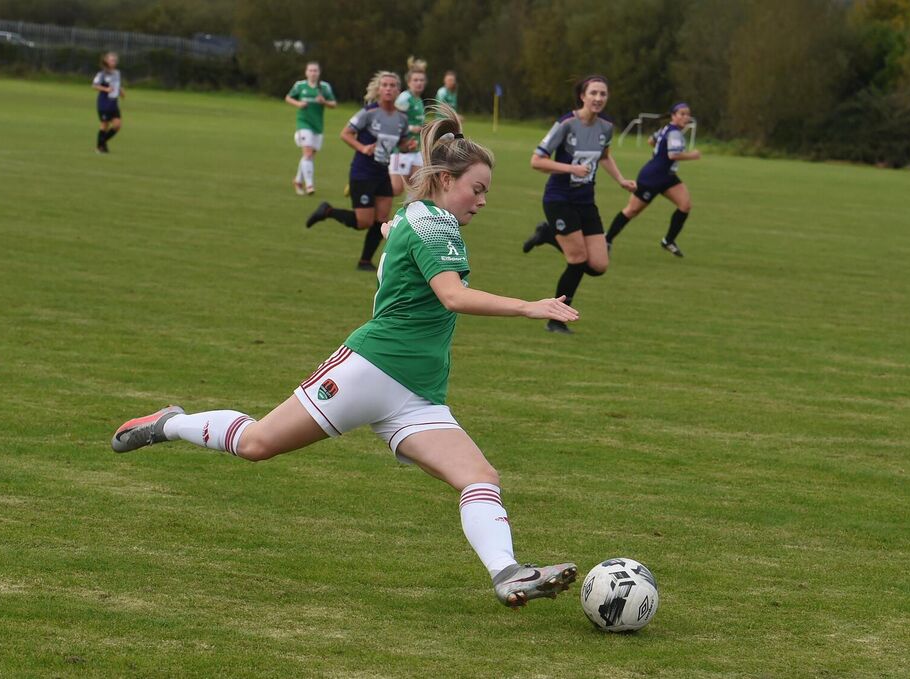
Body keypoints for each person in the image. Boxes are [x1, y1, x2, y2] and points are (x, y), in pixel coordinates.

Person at [111, 105, 581, 608]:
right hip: (371, 370)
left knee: (480, 477)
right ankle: (169, 422)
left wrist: (394, 233)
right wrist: (529, 306)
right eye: (479, 188)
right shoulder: (437, 227)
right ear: (446, 179)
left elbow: (396, 234)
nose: (483, 201)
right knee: (256, 444)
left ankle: (507, 573)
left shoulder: (417, 216)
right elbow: (453, 296)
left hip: (417, 395)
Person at [520, 75, 636, 334]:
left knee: (598, 265)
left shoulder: (606, 127)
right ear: (582, 96)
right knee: (577, 259)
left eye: (603, 94)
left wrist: (621, 180)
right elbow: (537, 161)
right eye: (593, 93)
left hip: (586, 201)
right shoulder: (566, 124)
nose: (598, 98)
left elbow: (604, 156)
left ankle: (548, 235)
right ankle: (555, 319)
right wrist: (570, 167)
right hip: (559, 199)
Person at [305, 71, 414, 271]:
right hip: (362, 172)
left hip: (383, 172)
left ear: (398, 90)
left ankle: (365, 261)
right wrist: (363, 148)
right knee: (363, 222)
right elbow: (345, 133)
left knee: (381, 219)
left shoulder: (401, 118)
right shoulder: (369, 112)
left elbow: (403, 143)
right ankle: (328, 211)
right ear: (379, 89)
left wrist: (410, 145)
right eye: (385, 85)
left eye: (392, 85)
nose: (389, 88)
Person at [605, 102, 701, 257]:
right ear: (673, 116)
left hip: (667, 176)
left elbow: (651, 140)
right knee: (632, 210)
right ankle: (607, 239)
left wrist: (659, 154)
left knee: (685, 205)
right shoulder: (674, 132)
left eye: (687, 114)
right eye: (682, 114)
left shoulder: (668, 129)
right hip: (653, 177)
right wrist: (693, 155)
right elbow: (673, 155)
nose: (686, 117)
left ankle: (668, 241)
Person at [285, 61, 337, 196]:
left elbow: (333, 104)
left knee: (309, 157)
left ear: (319, 73)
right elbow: (288, 97)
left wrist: (324, 102)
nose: (313, 73)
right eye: (310, 70)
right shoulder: (300, 86)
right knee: (307, 153)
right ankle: (309, 185)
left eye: (315, 71)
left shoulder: (324, 87)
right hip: (303, 123)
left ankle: (297, 180)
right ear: (306, 72)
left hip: (317, 125)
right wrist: (298, 103)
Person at [389, 56, 428, 197]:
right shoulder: (405, 98)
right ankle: (367, 188)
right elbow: (394, 122)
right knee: (396, 189)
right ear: (409, 82)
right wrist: (411, 128)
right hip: (401, 150)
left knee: (418, 188)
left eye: (422, 80)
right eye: (416, 80)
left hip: (416, 149)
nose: (419, 83)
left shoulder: (418, 100)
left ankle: (410, 217)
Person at [92, 52, 124, 154]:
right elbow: (94, 86)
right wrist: (106, 89)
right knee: (105, 124)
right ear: (106, 61)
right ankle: (100, 147)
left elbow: (116, 85)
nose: (113, 62)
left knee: (117, 125)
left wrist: (121, 91)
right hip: (104, 103)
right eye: (111, 60)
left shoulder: (117, 73)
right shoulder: (102, 74)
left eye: (114, 60)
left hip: (114, 103)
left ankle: (101, 143)